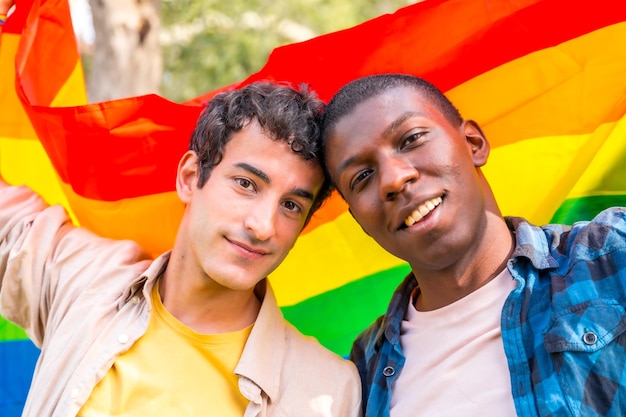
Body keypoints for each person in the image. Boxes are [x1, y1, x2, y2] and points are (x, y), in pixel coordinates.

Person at [0, 81, 362, 417]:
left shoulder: (330, 391)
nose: (263, 226)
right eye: (246, 184)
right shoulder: (85, 279)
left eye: (291, 205)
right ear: (190, 178)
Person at [321, 73, 626, 417]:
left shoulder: (611, 254)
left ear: (473, 143)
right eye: (362, 177)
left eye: (412, 139)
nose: (394, 178)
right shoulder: (360, 374)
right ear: (360, 220)